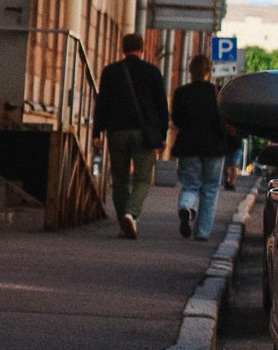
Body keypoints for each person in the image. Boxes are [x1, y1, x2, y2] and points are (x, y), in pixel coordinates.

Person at [92, 33, 169, 239]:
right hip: (144, 134)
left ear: (122, 49)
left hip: (116, 132)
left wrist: (96, 132)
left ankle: (123, 223)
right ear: (142, 49)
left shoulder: (110, 72)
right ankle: (131, 213)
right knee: (143, 179)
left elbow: (102, 104)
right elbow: (162, 106)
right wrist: (162, 135)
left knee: (119, 179)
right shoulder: (152, 72)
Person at [170, 53, 237, 239]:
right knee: (210, 189)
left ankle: (186, 208)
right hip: (214, 147)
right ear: (209, 71)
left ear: (190, 71)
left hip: (188, 146)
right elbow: (227, 120)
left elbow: (176, 120)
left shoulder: (181, 93)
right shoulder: (218, 92)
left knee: (190, 185)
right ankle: (202, 232)